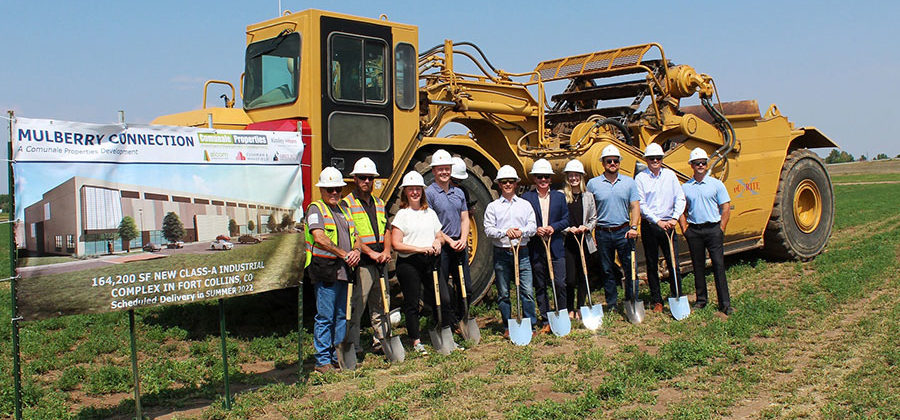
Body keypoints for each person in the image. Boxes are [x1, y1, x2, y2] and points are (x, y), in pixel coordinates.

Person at [304, 167, 360, 374]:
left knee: (340, 315)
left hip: (344, 270)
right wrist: (343, 253)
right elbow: (319, 237)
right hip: (326, 271)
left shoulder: (344, 210)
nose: (334, 193)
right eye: (330, 189)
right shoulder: (315, 209)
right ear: (322, 190)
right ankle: (322, 361)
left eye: (337, 189)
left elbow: (356, 237)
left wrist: (355, 251)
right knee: (325, 316)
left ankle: (337, 356)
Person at [341, 158, 392, 357]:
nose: (366, 181)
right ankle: (353, 345)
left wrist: (386, 252)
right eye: (362, 177)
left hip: (380, 262)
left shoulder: (379, 203)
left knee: (381, 303)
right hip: (362, 263)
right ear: (354, 179)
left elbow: (386, 229)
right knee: (357, 306)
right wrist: (371, 253)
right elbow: (353, 235)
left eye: (370, 178)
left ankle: (382, 340)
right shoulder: (347, 204)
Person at [391, 171, 445, 354]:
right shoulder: (402, 215)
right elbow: (396, 244)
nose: (414, 192)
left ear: (422, 191)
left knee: (440, 298)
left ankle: (439, 330)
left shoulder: (429, 213)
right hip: (409, 264)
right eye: (411, 189)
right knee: (412, 303)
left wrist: (438, 242)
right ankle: (415, 340)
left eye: (417, 189)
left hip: (429, 261)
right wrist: (420, 249)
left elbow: (439, 234)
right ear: (405, 192)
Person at [484, 165, 538, 339]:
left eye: (510, 181)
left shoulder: (525, 205)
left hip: (522, 252)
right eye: (504, 182)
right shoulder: (493, 207)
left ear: (516, 184)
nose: (507, 184)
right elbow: (488, 229)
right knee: (504, 293)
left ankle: (530, 324)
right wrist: (505, 232)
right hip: (502, 252)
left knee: (527, 291)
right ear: (499, 184)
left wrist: (521, 232)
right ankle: (508, 325)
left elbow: (533, 227)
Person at [678, 148, 734, 315]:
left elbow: (725, 207)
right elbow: (680, 210)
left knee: (718, 265)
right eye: (697, 163)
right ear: (692, 166)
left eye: (703, 163)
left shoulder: (716, 184)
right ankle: (701, 300)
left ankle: (725, 303)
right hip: (695, 230)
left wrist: (721, 228)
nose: (700, 165)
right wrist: (685, 229)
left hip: (713, 229)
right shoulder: (686, 187)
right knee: (698, 266)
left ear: (706, 164)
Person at [586, 145, 640, 311]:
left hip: (624, 232)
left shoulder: (629, 183)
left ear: (619, 163)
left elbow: (635, 206)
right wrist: (592, 232)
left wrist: (634, 227)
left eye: (615, 161)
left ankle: (632, 300)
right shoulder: (593, 184)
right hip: (603, 233)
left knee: (630, 268)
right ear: (603, 163)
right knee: (607, 270)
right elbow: (589, 208)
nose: (612, 163)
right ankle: (611, 303)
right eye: (608, 161)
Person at [635, 143, 686, 313]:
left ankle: (676, 294)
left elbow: (680, 198)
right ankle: (657, 300)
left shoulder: (670, 176)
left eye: (658, 158)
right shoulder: (641, 178)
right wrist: (658, 222)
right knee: (651, 264)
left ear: (662, 159)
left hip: (669, 225)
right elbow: (641, 204)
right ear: (647, 160)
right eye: (652, 158)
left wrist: (674, 218)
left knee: (673, 262)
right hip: (651, 226)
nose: (655, 161)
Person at [522, 159, 569, 334]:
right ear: (534, 179)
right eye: (540, 177)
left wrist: (553, 227)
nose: (543, 180)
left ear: (550, 179)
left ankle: (561, 314)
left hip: (556, 246)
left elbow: (566, 219)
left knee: (560, 283)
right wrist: (535, 230)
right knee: (540, 284)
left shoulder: (559, 197)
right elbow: (524, 220)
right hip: (537, 247)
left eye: (546, 177)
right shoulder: (527, 198)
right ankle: (545, 318)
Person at [425, 149, 467, 333]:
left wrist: (463, 239)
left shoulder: (459, 193)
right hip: (442, 246)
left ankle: (462, 319)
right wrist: (449, 241)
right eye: (440, 169)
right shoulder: (429, 193)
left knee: (466, 287)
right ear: (434, 171)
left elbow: (465, 218)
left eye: (447, 169)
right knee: (443, 290)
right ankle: (448, 323)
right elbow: (432, 224)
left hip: (460, 245)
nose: (444, 172)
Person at [559, 159, 598, 318]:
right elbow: (558, 219)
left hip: (584, 241)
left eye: (576, 176)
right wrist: (569, 229)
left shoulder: (588, 196)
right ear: (567, 178)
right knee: (570, 279)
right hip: (568, 242)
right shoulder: (561, 196)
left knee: (584, 276)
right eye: (570, 176)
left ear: (581, 177)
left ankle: (581, 307)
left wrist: (586, 227)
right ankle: (569, 309)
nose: (573, 178)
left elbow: (594, 218)